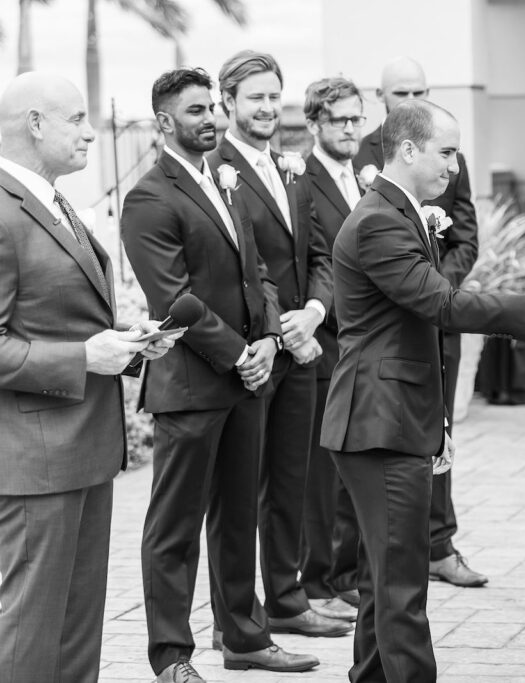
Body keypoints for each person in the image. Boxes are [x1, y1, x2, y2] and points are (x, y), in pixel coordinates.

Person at [322, 98, 525, 682]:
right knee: (402, 587)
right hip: (377, 423)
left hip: (391, 418)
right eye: (446, 152)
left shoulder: (400, 211)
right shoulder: (379, 221)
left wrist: (435, 423)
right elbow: (440, 303)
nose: (455, 166)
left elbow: (415, 325)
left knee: (384, 582)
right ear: (407, 150)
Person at [121, 67, 319, 680]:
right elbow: (173, 298)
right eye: (195, 110)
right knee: (174, 528)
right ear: (163, 122)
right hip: (189, 387)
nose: (209, 118)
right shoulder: (149, 197)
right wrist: (240, 352)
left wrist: (265, 339)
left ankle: (244, 638)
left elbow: (255, 273)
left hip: (245, 379)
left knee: (238, 517)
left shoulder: (228, 186)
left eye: (211, 108)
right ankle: (171, 658)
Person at [0, 71, 177, 683]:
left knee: (77, 632)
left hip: (83, 451)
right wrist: (82, 359)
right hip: (33, 463)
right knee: (28, 633)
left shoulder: (54, 197)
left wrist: (122, 346)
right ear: (35, 124)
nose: (90, 132)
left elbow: (58, 317)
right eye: (77, 119)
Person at [208, 51, 352, 640]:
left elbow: (320, 255)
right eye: (254, 98)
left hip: (303, 347)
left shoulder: (291, 171)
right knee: (240, 493)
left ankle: (288, 599)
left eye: (273, 96)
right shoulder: (216, 171)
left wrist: (314, 313)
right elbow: (244, 265)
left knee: (292, 480)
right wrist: (279, 327)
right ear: (228, 105)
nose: (266, 108)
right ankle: (232, 620)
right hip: (254, 355)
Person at [354, 56, 485, 587]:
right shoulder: (366, 154)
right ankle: (384, 558)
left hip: (439, 313)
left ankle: (440, 542)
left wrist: (438, 284)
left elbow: (466, 232)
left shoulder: (445, 155)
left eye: (420, 90)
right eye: (401, 92)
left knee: (441, 428)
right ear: (380, 97)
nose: (411, 100)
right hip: (389, 323)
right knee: (392, 447)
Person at [297, 74, 365, 618]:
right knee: (318, 477)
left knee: (348, 475)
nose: (349, 128)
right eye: (339, 119)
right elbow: (318, 262)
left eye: (356, 119)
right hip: (325, 340)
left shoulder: (362, 180)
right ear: (316, 122)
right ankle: (315, 581)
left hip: (360, 344)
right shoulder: (303, 177)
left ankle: (343, 575)